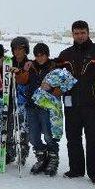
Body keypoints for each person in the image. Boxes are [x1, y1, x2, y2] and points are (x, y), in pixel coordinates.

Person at [57, 20, 95, 184]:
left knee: (93, 139)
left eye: (82, 33)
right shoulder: (65, 54)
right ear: (72, 34)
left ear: (88, 33)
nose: (80, 36)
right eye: (76, 33)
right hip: (71, 102)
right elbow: (55, 72)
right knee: (73, 137)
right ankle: (76, 169)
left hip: (92, 104)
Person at [25, 43, 62, 175]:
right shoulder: (31, 66)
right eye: (37, 55)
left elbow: (62, 87)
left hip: (47, 107)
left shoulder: (54, 68)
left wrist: (53, 89)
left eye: (43, 55)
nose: (40, 58)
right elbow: (23, 80)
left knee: (48, 135)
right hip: (31, 105)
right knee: (33, 137)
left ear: (47, 55)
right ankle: (41, 157)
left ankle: (53, 158)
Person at [6, 36, 31, 164]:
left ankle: (23, 152)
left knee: (23, 128)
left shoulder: (29, 64)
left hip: (23, 101)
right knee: (9, 126)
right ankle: (9, 153)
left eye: (20, 49)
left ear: (25, 49)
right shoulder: (8, 62)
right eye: (15, 49)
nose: (17, 52)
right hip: (9, 99)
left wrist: (20, 72)